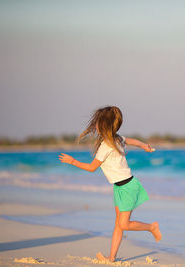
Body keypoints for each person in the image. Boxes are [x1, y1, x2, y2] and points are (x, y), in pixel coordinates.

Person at [59, 106, 161, 263]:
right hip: (120, 187)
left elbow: (92, 168)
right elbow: (131, 140)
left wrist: (72, 161)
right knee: (118, 225)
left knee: (124, 224)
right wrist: (143, 145)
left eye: (98, 123)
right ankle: (112, 257)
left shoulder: (107, 145)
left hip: (128, 186)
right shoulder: (116, 139)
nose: (96, 126)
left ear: (104, 125)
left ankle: (152, 227)